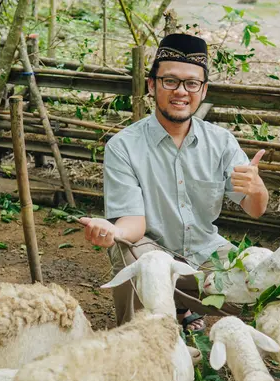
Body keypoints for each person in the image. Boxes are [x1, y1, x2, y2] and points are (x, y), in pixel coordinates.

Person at [79, 33, 269, 332]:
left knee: (266, 275)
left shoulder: (221, 142)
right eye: (170, 81)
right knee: (132, 252)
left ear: (203, 90)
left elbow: (255, 209)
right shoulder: (123, 146)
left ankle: (181, 307)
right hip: (153, 249)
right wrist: (114, 230)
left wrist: (257, 188)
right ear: (152, 85)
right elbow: (134, 222)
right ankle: (143, 335)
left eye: (192, 83)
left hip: (206, 255)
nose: (181, 91)